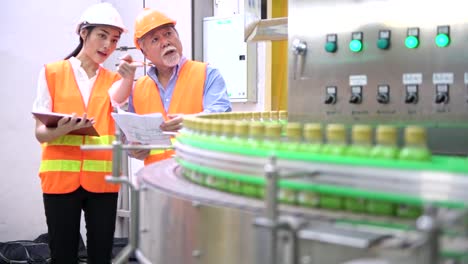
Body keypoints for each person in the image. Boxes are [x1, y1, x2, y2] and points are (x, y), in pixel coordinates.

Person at [31, 3, 136, 263]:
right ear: (83, 33)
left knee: (101, 255)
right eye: (102, 35)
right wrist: (60, 130)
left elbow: (119, 101)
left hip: (102, 181)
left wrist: (128, 79)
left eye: (114, 39)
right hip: (60, 180)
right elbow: (41, 134)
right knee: (63, 255)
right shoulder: (51, 72)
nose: (108, 45)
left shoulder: (113, 80)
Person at [128, 8, 232, 165]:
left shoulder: (207, 74)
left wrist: (192, 122)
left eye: (168, 34)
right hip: (156, 182)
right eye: (155, 40)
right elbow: (129, 136)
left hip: (199, 178)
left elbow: (222, 117)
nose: (165, 42)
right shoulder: (137, 89)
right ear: (145, 53)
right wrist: (134, 149)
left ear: (178, 37)